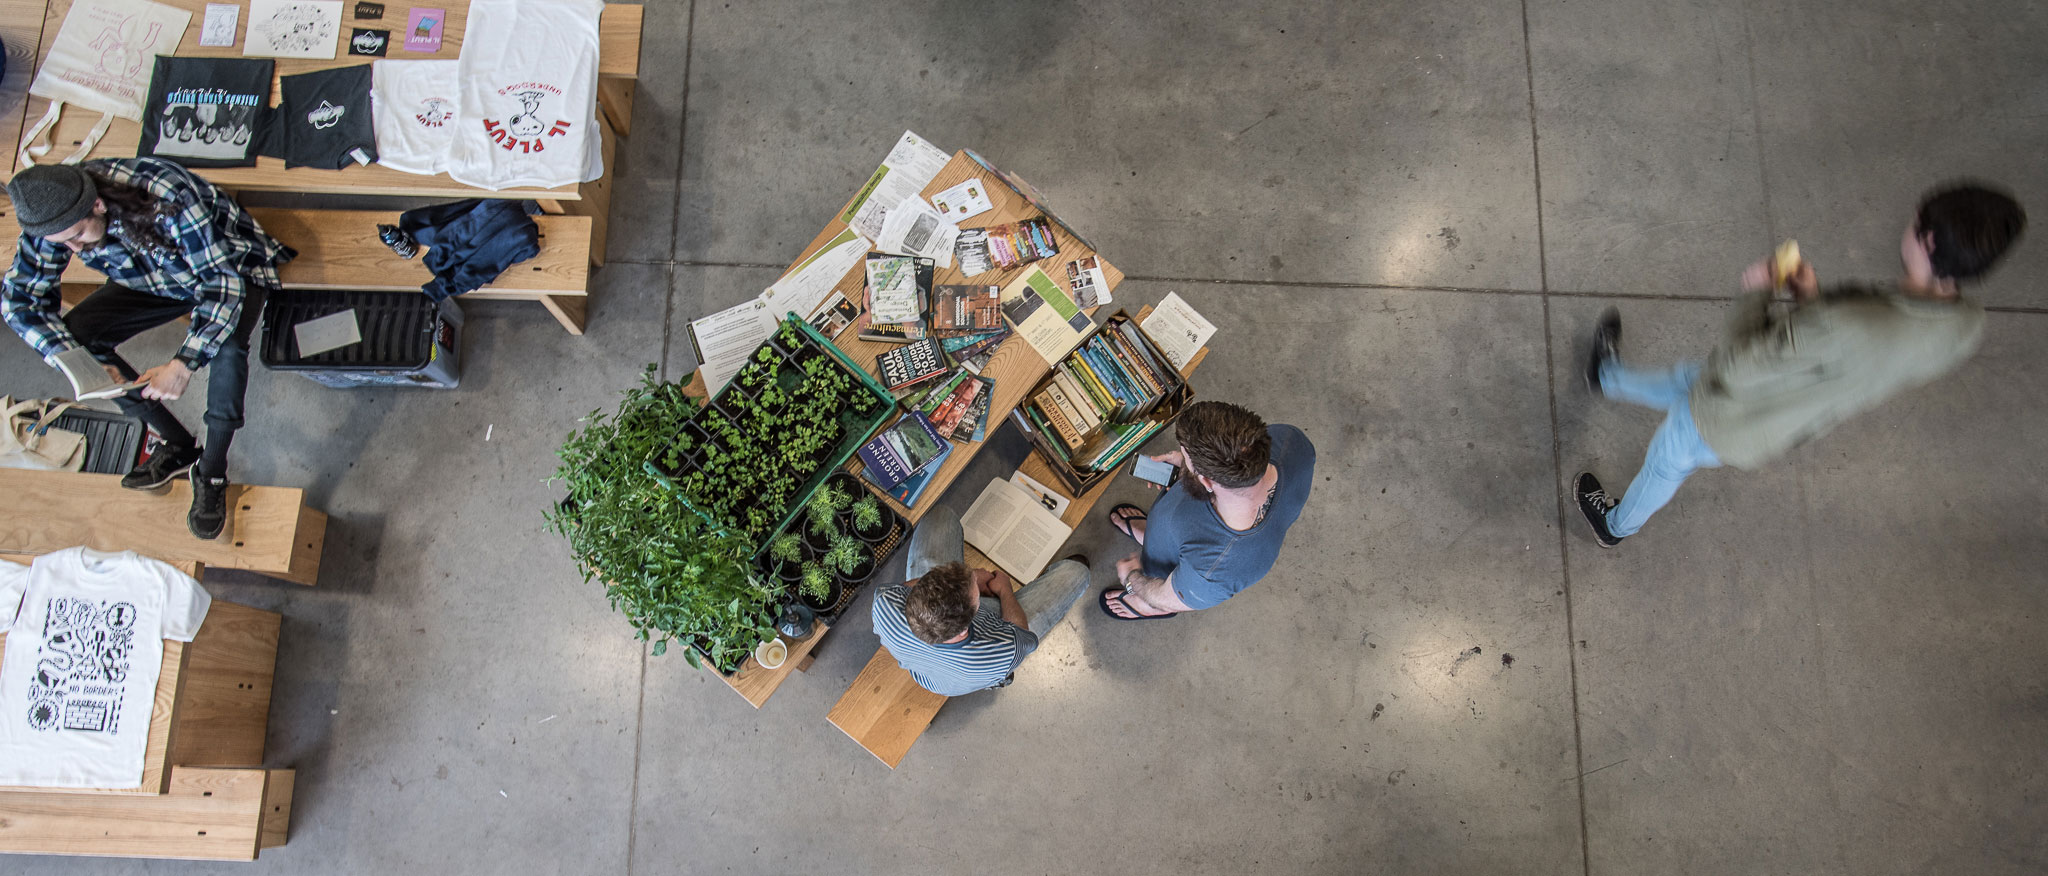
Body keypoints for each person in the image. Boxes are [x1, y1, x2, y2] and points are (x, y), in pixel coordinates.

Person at [1574, 182, 2026, 546]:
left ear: (1927, 240)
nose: (1906, 224)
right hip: (1784, 402)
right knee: (1684, 379)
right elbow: (1851, 350)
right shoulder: (1965, 323)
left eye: (1914, 220)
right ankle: (1606, 376)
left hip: (1733, 414)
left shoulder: (1852, 325)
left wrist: (1755, 291)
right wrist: (1813, 303)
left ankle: (1615, 525)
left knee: (1665, 463)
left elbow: (1738, 365)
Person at [2, 160, 295, 539]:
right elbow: (19, 302)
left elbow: (221, 286)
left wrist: (183, 363)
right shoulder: (53, 220)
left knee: (225, 349)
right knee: (79, 336)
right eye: (64, 244)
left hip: (228, 267)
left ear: (97, 205)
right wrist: (78, 364)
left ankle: (212, 470)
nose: (74, 249)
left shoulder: (166, 196)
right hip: (151, 281)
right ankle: (177, 444)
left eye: (77, 236)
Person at [1102, 401, 1316, 619]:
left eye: (1185, 458)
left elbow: (1165, 596)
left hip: (1169, 581)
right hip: (1190, 509)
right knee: (1163, 536)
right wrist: (1188, 467)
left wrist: (1133, 579)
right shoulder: (1291, 440)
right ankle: (1152, 539)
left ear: (1206, 481)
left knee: (1155, 597)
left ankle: (1144, 608)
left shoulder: (1214, 570)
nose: (1182, 459)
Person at [870, 507, 1091, 696]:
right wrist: (1004, 590)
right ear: (965, 628)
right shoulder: (1000, 651)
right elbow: (1024, 637)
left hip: (930, 674)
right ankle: (997, 681)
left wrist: (969, 579)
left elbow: (906, 587)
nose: (979, 575)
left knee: (940, 516)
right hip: (975, 668)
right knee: (1077, 573)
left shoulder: (884, 604)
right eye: (977, 590)